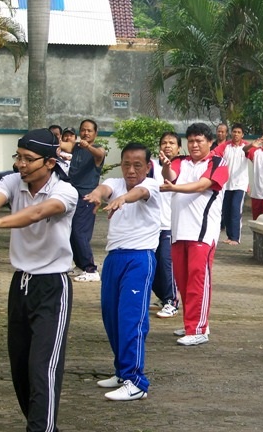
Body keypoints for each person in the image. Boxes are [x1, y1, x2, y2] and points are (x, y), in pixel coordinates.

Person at [0, 129, 77, 431]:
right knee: (21, 371)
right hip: (21, 285)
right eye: (18, 157)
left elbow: (38, 213)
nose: (20, 165)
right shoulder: (14, 182)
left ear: (49, 162)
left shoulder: (65, 191)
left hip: (52, 287)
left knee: (42, 369)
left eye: (28, 159)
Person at [85, 142, 161, 401]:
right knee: (112, 318)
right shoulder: (115, 183)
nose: (131, 170)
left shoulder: (151, 185)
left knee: (131, 320)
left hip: (139, 259)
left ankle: (136, 381)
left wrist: (122, 199)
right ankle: (122, 372)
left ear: (147, 166)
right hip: (114, 259)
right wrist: (97, 193)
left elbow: (139, 192)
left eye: (137, 165)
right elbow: (104, 187)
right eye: (126, 164)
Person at [160, 122, 229, 346]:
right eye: (191, 141)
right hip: (179, 231)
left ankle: (199, 329)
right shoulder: (181, 161)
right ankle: (192, 323)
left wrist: (174, 188)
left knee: (198, 282)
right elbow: (171, 174)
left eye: (199, 140)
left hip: (202, 233)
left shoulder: (218, 162)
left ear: (210, 142)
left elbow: (202, 185)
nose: (194, 145)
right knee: (183, 281)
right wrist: (165, 166)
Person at [59, 119, 106, 282]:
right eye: (83, 130)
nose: (86, 133)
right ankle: (80, 265)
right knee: (70, 232)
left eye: (89, 130)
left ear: (95, 133)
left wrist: (89, 147)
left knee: (80, 233)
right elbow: (62, 146)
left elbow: (100, 154)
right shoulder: (75, 147)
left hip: (87, 196)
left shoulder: (97, 150)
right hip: (72, 195)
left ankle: (91, 269)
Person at [150, 132, 181, 318]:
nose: (167, 146)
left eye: (172, 143)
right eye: (164, 142)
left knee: (165, 264)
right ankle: (163, 296)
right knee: (151, 265)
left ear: (178, 147)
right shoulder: (152, 165)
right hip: (151, 225)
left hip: (170, 224)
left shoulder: (183, 167)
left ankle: (172, 301)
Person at [213, 123, 250, 245]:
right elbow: (213, 154)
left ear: (242, 134)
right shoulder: (225, 146)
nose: (236, 134)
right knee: (226, 210)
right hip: (226, 184)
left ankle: (236, 238)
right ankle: (229, 235)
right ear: (231, 133)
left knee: (235, 209)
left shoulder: (246, 146)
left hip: (240, 184)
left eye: (239, 132)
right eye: (234, 132)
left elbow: (253, 154)